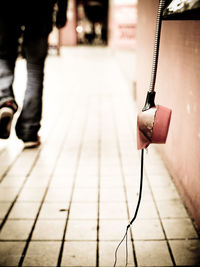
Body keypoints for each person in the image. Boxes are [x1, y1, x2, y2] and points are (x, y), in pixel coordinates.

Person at [0, 0, 68, 148]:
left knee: (4, 57)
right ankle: (29, 130)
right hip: (40, 10)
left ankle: (5, 100)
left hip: (6, 9)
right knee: (35, 70)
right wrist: (62, 11)